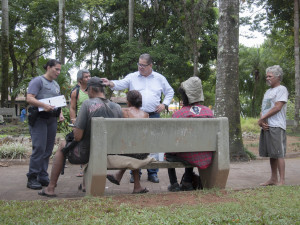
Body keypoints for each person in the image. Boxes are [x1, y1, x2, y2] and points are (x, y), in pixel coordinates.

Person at [38, 77, 122, 197]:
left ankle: (50, 188)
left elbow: (77, 137)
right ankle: (84, 185)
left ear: (91, 89)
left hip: (85, 154)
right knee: (90, 144)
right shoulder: (117, 107)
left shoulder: (87, 104)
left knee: (63, 145)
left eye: (87, 91)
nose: (87, 93)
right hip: (108, 154)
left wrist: (78, 125)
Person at [102, 53, 174, 183]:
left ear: (150, 65)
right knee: (134, 143)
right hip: (135, 116)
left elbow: (170, 91)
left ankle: (153, 172)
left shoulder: (159, 78)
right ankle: (135, 173)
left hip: (153, 115)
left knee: (153, 144)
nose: (140, 67)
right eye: (139, 64)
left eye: (143, 65)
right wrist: (110, 83)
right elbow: (120, 84)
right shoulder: (132, 77)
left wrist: (165, 104)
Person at [166, 77, 214, 192]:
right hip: (205, 154)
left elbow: (172, 139)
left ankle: (174, 184)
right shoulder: (208, 112)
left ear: (185, 95)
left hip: (187, 154)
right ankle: (187, 182)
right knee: (191, 148)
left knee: (169, 151)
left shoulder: (178, 114)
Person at [26, 59, 65, 190]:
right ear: (48, 67)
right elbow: (29, 98)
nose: (58, 72)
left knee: (48, 149)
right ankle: (32, 177)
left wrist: (60, 114)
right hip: (39, 119)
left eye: (60, 70)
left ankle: (42, 175)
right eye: (56, 69)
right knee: (39, 148)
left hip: (51, 119)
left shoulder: (55, 84)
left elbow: (57, 101)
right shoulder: (38, 81)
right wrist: (43, 105)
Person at [106, 90, 150, 194]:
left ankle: (120, 177)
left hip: (127, 149)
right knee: (134, 149)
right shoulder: (146, 114)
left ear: (129, 101)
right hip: (143, 151)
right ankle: (136, 186)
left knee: (131, 149)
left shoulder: (123, 111)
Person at [258, 65, 288, 186]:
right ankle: (273, 179)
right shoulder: (268, 92)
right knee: (272, 154)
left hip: (277, 126)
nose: (267, 78)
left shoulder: (281, 89)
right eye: (267, 76)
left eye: (270, 76)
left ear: (278, 77)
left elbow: (277, 107)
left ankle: (282, 180)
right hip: (268, 126)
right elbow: (264, 108)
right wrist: (262, 121)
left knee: (279, 153)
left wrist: (263, 119)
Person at [70, 69, 91, 177]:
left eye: (89, 76)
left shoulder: (93, 90)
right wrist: (74, 122)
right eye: (86, 77)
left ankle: (92, 168)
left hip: (92, 122)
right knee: (82, 146)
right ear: (80, 80)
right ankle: (82, 168)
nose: (89, 78)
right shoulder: (76, 92)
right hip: (81, 123)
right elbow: (72, 108)